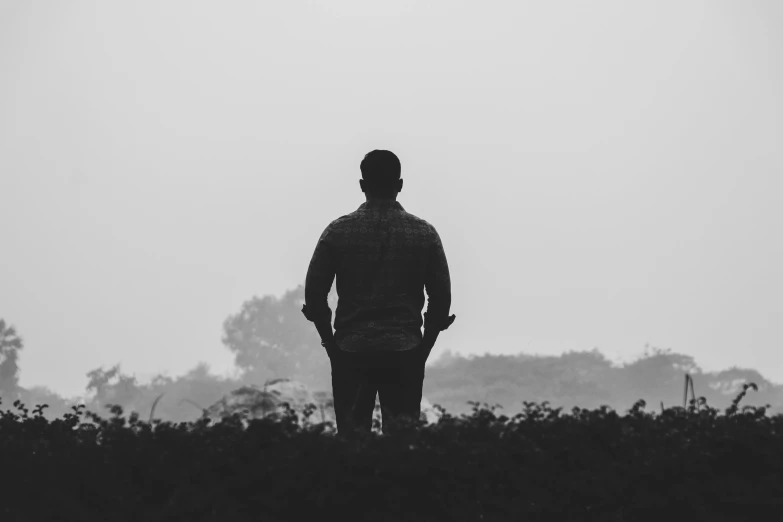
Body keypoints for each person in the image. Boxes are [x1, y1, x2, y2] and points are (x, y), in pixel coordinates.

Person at [301, 149, 455, 439]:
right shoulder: (424, 234)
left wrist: (332, 348)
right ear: (399, 184)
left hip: (351, 351)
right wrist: (423, 351)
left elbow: (314, 297)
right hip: (404, 351)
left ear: (362, 185)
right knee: (402, 444)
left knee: (351, 440)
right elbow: (441, 301)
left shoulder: (337, 232)